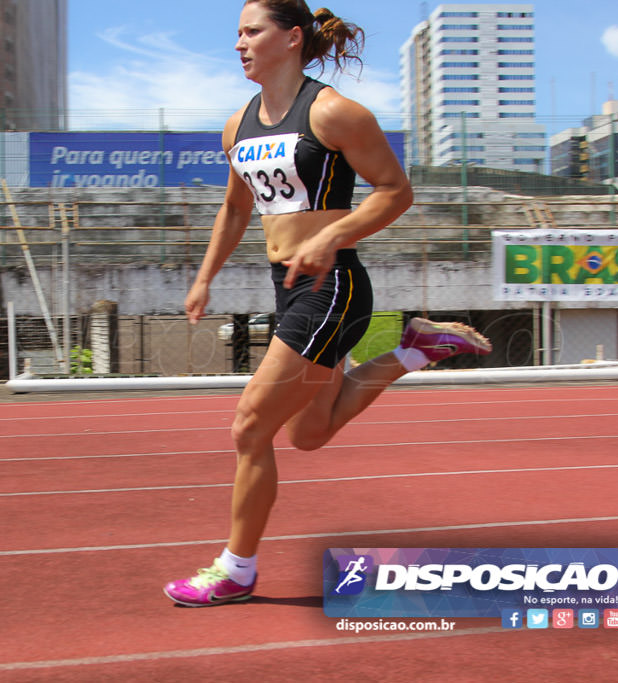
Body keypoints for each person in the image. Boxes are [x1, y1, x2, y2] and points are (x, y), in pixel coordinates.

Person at [163, 0, 492, 607]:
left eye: (251, 31)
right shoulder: (238, 125)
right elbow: (236, 208)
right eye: (236, 33)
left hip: (331, 288)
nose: (239, 43)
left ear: (291, 38)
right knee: (309, 434)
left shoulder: (334, 112)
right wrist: (204, 277)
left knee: (250, 427)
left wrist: (331, 235)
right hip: (287, 287)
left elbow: (395, 192)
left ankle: (237, 568)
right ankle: (413, 349)